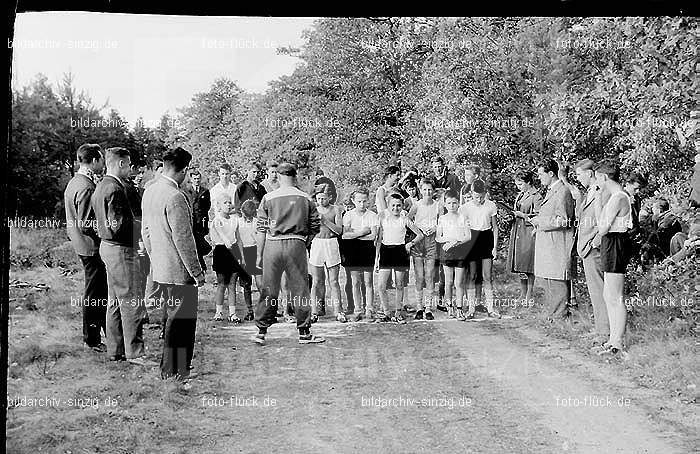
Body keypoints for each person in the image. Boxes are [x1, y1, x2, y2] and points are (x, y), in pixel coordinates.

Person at [142, 147, 205, 383]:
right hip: (179, 271)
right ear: (185, 170)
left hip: (162, 267)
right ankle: (176, 373)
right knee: (182, 325)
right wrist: (196, 272)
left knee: (171, 321)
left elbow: (146, 232)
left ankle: (171, 370)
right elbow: (184, 239)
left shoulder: (150, 191)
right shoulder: (176, 196)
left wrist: (155, 259)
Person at [252, 162, 324, 345]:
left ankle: (261, 331)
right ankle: (304, 332)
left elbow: (261, 228)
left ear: (278, 176)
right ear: (296, 176)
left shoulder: (268, 197)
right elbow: (315, 225)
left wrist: (259, 255)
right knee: (299, 287)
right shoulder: (305, 198)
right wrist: (304, 242)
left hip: (273, 244)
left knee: (269, 288)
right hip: (296, 243)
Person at [92, 147, 152, 366]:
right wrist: (138, 228)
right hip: (121, 249)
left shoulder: (101, 186)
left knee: (115, 301)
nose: (131, 170)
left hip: (107, 247)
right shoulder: (115, 189)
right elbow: (117, 225)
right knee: (132, 300)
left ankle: (115, 350)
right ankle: (135, 353)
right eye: (128, 165)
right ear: (121, 164)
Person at [559, 159, 609, 344]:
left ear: (589, 173)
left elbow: (605, 220)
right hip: (587, 248)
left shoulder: (600, 192)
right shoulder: (590, 191)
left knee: (600, 290)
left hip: (594, 249)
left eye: (579, 174)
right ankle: (601, 329)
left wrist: (595, 243)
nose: (578, 178)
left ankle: (605, 332)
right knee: (596, 291)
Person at [64, 143, 108, 352]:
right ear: (93, 161)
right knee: (95, 294)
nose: (103, 163)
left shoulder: (74, 181)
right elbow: (86, 223)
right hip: (91, 247)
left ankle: (96, 334)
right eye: (101, 159)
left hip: (82, 244)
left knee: (95, 291)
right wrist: (106, 235)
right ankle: (91, 339)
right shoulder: (86, 186)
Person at [590, 160, 633, 356]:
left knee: (615, 296)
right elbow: (601, 223)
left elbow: (602, 227)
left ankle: (618, 342)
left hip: (616, 242)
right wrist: (598, 199)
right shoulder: (611, 196)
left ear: (604, 177)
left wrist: (599, 200)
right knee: (608, 295)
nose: (596, 181)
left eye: (598, 177)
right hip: (609, 242)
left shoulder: (618, 197)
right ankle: (611, 340)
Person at [531, 159, 576, 321]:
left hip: (558, 245)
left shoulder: (563, 191)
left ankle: (560, 317)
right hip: (550, 244)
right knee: (550, 281)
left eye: (541, 174)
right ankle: (553, 315)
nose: (539, 177)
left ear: (551, 173)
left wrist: (540, 222)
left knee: (557, 281)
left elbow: (564, 220)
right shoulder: (552, 191)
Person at [374, 193, 424, 324]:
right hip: (386, 251)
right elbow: (379, 240)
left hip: (400, 252)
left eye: (398, 205)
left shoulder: (405, 219)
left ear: (402, 206)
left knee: (399, 284)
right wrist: (376, 259)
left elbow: (420, 235)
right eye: (393, 205)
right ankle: (386, 311)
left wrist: (410, 244)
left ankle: (398, 311)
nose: (396, 208)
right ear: (388, 206)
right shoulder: (383, 218)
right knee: (381, 285)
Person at [460, 179, 500, 318]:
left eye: (482, 196)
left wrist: (495, 247)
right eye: (476, 197)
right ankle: (471, 308)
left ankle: (491, 308)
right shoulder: (465, 208)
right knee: (472, 275)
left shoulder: (491, 205)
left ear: (485, 193)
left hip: (486, 238)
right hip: (472, 239)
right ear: (471, 194)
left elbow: (495, 228)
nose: (479, 199)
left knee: (487, 276)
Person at [342, 188, 380, 322]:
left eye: (365, 201)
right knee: (355, 282)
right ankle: (358, 309)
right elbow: (345, 235)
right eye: (359, 201)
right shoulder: (348, 215)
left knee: (368, 281)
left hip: (367, 250)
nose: (362, 204)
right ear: (353, 201)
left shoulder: (372, 215)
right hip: (353, 251)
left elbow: (373, 236)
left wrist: (355, 234)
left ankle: (369, 308)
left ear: (368, 200)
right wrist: (363, 232)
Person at [309, 190, 346, 323]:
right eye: (318, 198)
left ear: (329, 197)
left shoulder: (336, 209)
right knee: (316, 281)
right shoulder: (313, 210)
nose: (321, 201)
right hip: (317, 244)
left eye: (323, 198)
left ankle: (338, 311)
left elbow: (339, 230)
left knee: (334, 281)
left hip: (331, 243)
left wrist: (325, 221)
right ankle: (314, 311)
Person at [506, 170, 542, 306]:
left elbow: (538, 216)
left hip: (529, 232)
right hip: (518, 231)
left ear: (528, 182)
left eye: (520, 184)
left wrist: (523, 215)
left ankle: (529, 294)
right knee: (520, 265)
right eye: (517, 184)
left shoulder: (536, 196)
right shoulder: (521, 194)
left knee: (529, 264)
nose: (518, 187)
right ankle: (523, 291)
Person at [209, 192, 246, 323]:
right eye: (225, 202)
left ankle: (232, 313)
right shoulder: (217, 221)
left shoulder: (235, 220)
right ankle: (218, 312)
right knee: (221, 283)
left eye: (229, 202)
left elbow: (239, 239)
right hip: (221, 251)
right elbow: (223, 238)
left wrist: (242, 256)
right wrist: (228, 244)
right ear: (218, 206)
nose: (228, 204)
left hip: (234, 252)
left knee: (232, 284)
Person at [408, 178, 441, 320]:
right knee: (419, 276)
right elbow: (407, 220)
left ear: (433, 191)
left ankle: (428, 308)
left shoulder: (438, 205)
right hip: (419, 240)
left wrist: (435, 227)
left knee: (430, 275)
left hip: (432, 240)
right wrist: (418, 230)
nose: (427, 192)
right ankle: (419, 307)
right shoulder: (416, 205)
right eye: (424, 189)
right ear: (420, 191)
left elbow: (443, 221)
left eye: (430, 189)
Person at [435, 190, 470, 320]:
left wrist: (455, 242)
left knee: (459, 283)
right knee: (448, 282)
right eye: (449, 203)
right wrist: (448, 240)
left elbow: (468, 236)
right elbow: (438, 237)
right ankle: (449, 305)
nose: (452, 206)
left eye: (454, 203)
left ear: (459, 203)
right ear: (445, 204)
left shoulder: (463, 218)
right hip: (447, 253)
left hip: (460, 253)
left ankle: (459, 309)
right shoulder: (442, 219)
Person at [239, 199, 263, 321]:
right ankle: (249, 310)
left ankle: (265, 308)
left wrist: (259, 255)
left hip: (255, 250)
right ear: (241, 212)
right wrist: (242, 257)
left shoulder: (257, 222)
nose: (247, 218)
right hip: (244, 251)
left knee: (260, 282)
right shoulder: (238, 223)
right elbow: (238, 240)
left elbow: (260, 239)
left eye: (250, 216)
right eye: (245, 215)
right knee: (246, 284)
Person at [183, 169, 212, 271]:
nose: (197, 181)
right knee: (195, 242)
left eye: (198, 179)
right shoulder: (187, 191)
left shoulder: (205, 191)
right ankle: (200, 265)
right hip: (192, 221)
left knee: (201, 241)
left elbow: (207, 206)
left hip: (202, 220)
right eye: (195, 179)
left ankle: (201, 264)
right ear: (191, 179)